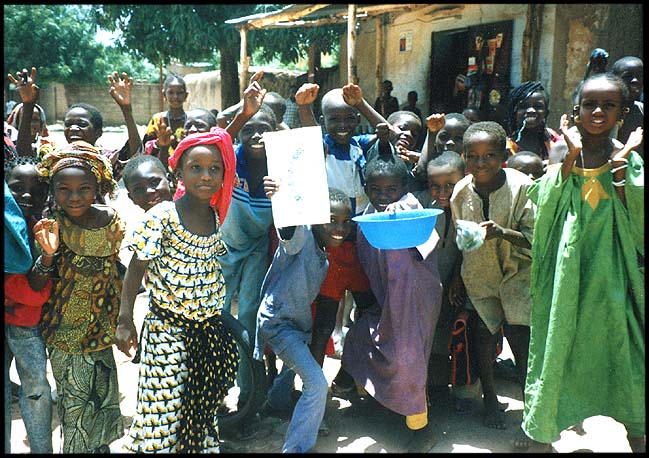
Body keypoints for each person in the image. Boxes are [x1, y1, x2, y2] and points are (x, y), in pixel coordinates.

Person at [521, 73, 645, 453]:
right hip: (568, 268)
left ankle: (636, 430)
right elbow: (544, 209)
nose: (597, 112)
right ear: (574, 112)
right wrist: (572, 156)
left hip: (612, 267)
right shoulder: (561, 153)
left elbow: (636, 217)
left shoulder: (629, 156)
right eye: (589, 104)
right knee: (561, 338)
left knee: (623, 341)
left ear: (622, 113)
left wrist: (621, 166)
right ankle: (544, 428)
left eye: (608, 106)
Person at [116, 129, 239, 453]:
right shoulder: (162, 216)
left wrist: (242, 117)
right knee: (161, 414)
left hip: (206, 332)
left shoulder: (214, 214)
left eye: (215, 169)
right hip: (168, 332)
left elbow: (224, 145)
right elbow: (135, 271)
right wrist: (125, 319)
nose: (206, 176)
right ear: (179, 173)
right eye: (195, 168)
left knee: (200, 413)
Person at [338, 156, 442, 453]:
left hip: (414, 300)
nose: (384, 197)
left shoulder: (408, 209)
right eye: (376, 189)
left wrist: (397, 213)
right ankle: (376, 404)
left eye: (391, 189)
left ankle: (422, 429)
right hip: (385, 302)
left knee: (408, 360)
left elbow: (421, 240)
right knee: (360, 339)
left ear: (403, 188)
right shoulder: (367, 215)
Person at [31, 142, 126, 453]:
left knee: (103, 401)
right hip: (65, 336)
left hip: (102, 332)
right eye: (65, 189)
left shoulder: (112, 221)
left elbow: (118, 272)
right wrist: (47, 256)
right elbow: (35, 283)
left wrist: (126, 321)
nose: (74, 197)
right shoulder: (52, 225)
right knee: (75, 410)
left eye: (83, 188)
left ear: (97, 186)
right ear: (53, 190)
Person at [254, 184, 355, 453]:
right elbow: (289, 230)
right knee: (317, 384)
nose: (339, 228)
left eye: (345, 222)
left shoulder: (324, 249)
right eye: (331, 220)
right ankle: (296, 448)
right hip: (278, 324)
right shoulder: (303, 238)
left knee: (296, 364)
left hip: (296, 324)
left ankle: (275, 403)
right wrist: (281, 198)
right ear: (315, 219)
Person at [450, 121, 535, 431]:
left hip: (518, 273)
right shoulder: (461, 191)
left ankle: (532, 409)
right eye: (472, 156)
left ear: (505, 155)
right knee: (483, 337)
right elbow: (462, 240)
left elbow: (535, 238)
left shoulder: (521, 186)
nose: (480, 163)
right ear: (463, 156)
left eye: (489, 155)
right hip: (479, 274)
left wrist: (503, 233)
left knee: (520, 339)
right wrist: (458, 277)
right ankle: (490, 400)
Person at [4, 156, 53, 454]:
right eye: (16, 187)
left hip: (27, 326)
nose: (25, 194)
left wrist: (46, 259)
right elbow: (32, 288)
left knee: (36, 390)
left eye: (35, 190)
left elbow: (37, 292)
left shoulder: (44, 230)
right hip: (25, 319)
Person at [37, 71, 141, 184]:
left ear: (98, 133)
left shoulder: (105, 159)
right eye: (68, 124)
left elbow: (135, 153)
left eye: (82, 124)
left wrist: (126, 109)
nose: (73, 128)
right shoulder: (54, 158)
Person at [504, 81, 568, 166]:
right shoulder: (506, 147)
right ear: (514, 112)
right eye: (523, 106)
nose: (531, 111)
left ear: (546, 112)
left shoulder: (553, 140)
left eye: (538, 106)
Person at [415, 112, 471, 186]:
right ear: (435, 140)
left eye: (459, 138)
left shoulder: (471, 169)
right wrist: (432, 133)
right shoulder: (431, 161)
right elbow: (422, 172)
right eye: (444, 137)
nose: (450, 142)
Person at [6, 67, 51, 157]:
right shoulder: (8, 148)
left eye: (35, 120)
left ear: (41, 124)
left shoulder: (50, 148)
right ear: (17, 122)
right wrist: (28, 105)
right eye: (25, 119)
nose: (30, 124)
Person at [141, 74, 188, 156]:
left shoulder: (191, 120)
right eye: (171, 92)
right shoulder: (158, 120)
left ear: (186, 95)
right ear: (164, 95)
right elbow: (147, 148)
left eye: (180, 93)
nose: (175, 96)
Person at [611, 56, 643, 157]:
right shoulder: (608, 112)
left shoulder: (641, 110)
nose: (635, 81)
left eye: (640, 76)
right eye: (627, 76)